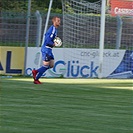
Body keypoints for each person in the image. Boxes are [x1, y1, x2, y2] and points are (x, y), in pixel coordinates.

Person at [32, 16, 61, 84]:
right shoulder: (52, 29)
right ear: (54, 21)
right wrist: (54, 44)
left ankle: (36, 72)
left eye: (59, 21)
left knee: (51, 65)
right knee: (46, 65)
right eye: (58, 21)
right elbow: (47, 40)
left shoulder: (55, 29)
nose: (59, 22)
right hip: (46, 49)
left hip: (49, 49)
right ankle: (36, 77)